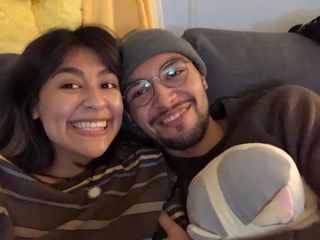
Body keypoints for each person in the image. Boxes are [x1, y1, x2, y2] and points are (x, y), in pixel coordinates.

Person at [121, 28, 320, 239]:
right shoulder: (154, 186)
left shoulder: (287, 110)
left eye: (174, 73)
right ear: (131, 117)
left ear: (202, 77)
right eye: (140, 91)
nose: (164, 99)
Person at [0, 26, 189, 240]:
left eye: (107, 84)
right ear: (33, 104)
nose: (97, 102)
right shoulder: (7, 186)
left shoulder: (146, 167)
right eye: (70, 85)